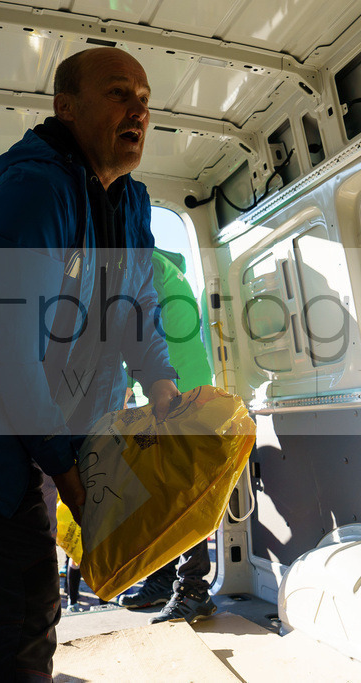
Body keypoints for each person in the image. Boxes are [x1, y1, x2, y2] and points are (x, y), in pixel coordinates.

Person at [0, 47, 180, 680]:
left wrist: (162, 385)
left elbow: (139, 303)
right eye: (118, 93)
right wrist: (70, 474)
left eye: (144, 98)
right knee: (27, 602)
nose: (138, 108)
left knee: (6, 599)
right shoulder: (37, 193)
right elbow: (6, 353)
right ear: (66, 107)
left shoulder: (131, 206)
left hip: (39, 428)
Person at [116, 248, 217, 624]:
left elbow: (129, 330)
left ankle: (193, 591)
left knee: (178, 493)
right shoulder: (163, 265)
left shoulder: (140, 265)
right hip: (182, 388)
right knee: (162, 490)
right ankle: (162, 578)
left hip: (175, 393)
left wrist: (122, 388)